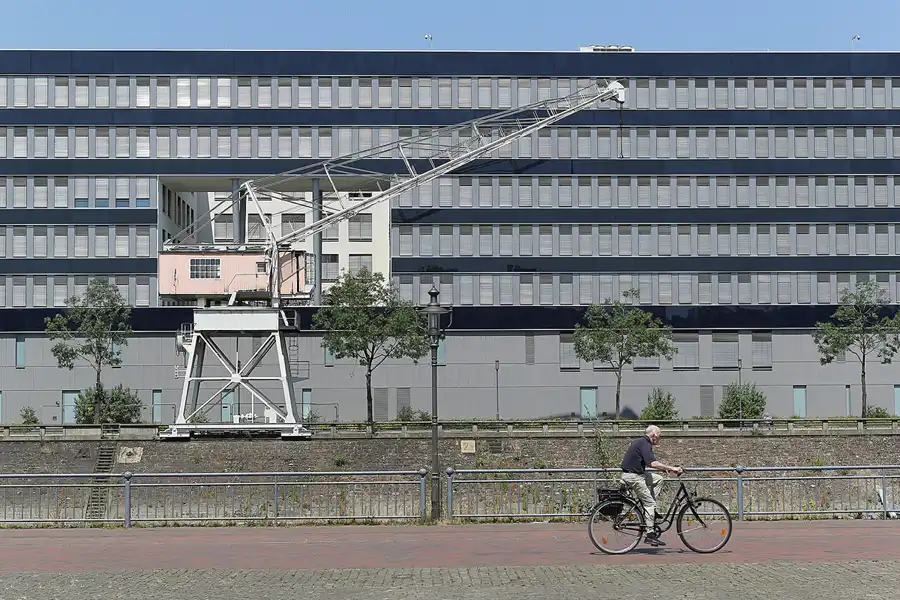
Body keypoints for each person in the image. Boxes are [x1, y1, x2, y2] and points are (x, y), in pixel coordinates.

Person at [619, 424, 683, 547]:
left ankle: (651, 511)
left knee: (658, 479)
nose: (660, 438)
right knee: (649, 503)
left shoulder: (641, 442)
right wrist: (672, 468)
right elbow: (652, 463)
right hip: (634, 477)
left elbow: (647, 462)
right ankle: (650, 535)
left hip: (636, 474)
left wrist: (663, 469)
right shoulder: (645, 443)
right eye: (660, 436)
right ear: (653, 435)